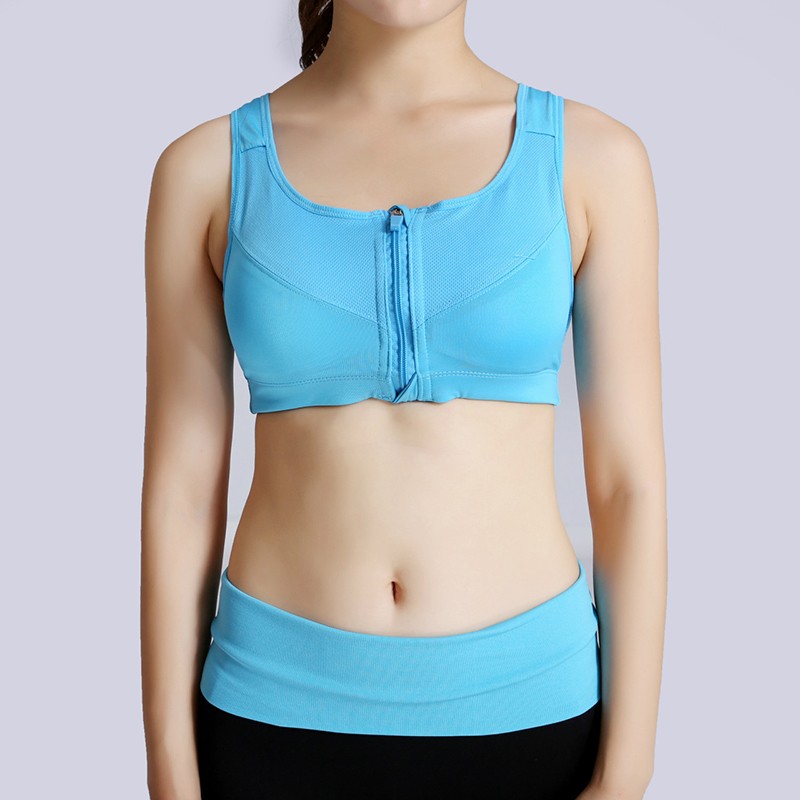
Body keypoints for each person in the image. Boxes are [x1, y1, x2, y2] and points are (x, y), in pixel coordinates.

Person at [140, 1, 667, 798]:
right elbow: (179, 494)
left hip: (530, 719)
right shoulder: (205, 170)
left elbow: (629, 486)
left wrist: (626, 774)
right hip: (271, 716)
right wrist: (170, 773)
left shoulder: (595, 160)